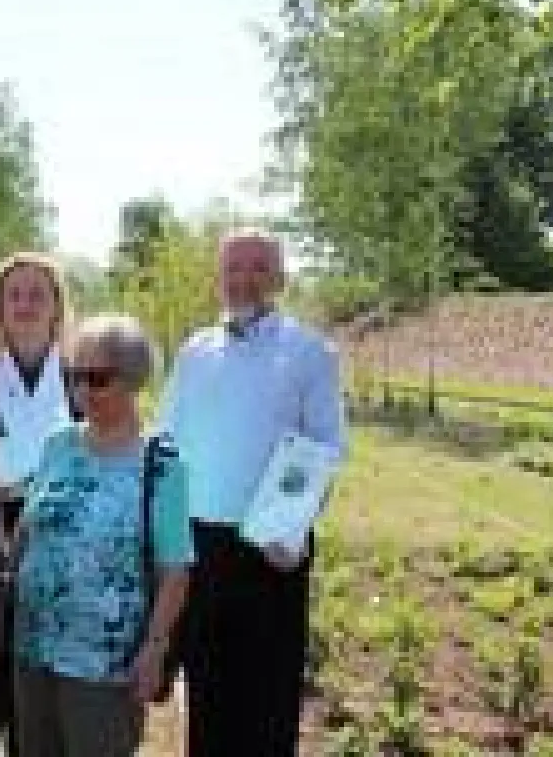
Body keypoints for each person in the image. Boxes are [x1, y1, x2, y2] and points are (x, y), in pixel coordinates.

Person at [157, 229, 347, 756]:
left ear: (280, 278)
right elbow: (166, 441)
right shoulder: (195, 352)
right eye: (233, 268)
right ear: (218, 280)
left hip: (271, 552)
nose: (245, 278)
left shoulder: (311, 352)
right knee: (207, 694)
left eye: (259, 267)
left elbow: (325, 447)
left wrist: (290, 527)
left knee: (266, 700)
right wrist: (164, 535)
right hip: (200, 548)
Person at [11, 314, 193, 757]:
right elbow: (26, 530)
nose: (82, 392)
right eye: (73, 377)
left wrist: (154, 648)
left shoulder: (161, 462)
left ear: (132, 381)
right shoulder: (58, 444)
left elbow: (175, 568)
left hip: (104, 665)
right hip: (33, 650)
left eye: (96, 379)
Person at [0, 252, 79, 757]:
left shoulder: (81, 380)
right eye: (14, 295)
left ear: (57, 308)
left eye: (37, 295)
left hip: (60, 547)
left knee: (40, 702)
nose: (25, 305)